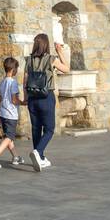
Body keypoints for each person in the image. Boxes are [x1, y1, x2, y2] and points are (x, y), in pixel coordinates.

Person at [24, 33, 70, 173]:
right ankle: (38, 152)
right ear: (46, 44)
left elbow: (24, 81)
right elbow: (67, 68)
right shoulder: (51, 59)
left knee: (36, 128)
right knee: (49, 129)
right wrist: (60, 51)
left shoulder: (29, 60)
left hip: (32, 98)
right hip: (46, 96)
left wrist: (26, 98)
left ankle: (41, 158)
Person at [0, 57, 27, 169]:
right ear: (13, 69)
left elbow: (0, 99)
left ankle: (16, 156)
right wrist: (23, 103)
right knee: (9, 137)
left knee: (8, 136)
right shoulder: (13, 83)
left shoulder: (3, 82)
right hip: (11, 114)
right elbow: (14, 100)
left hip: (3, 113)